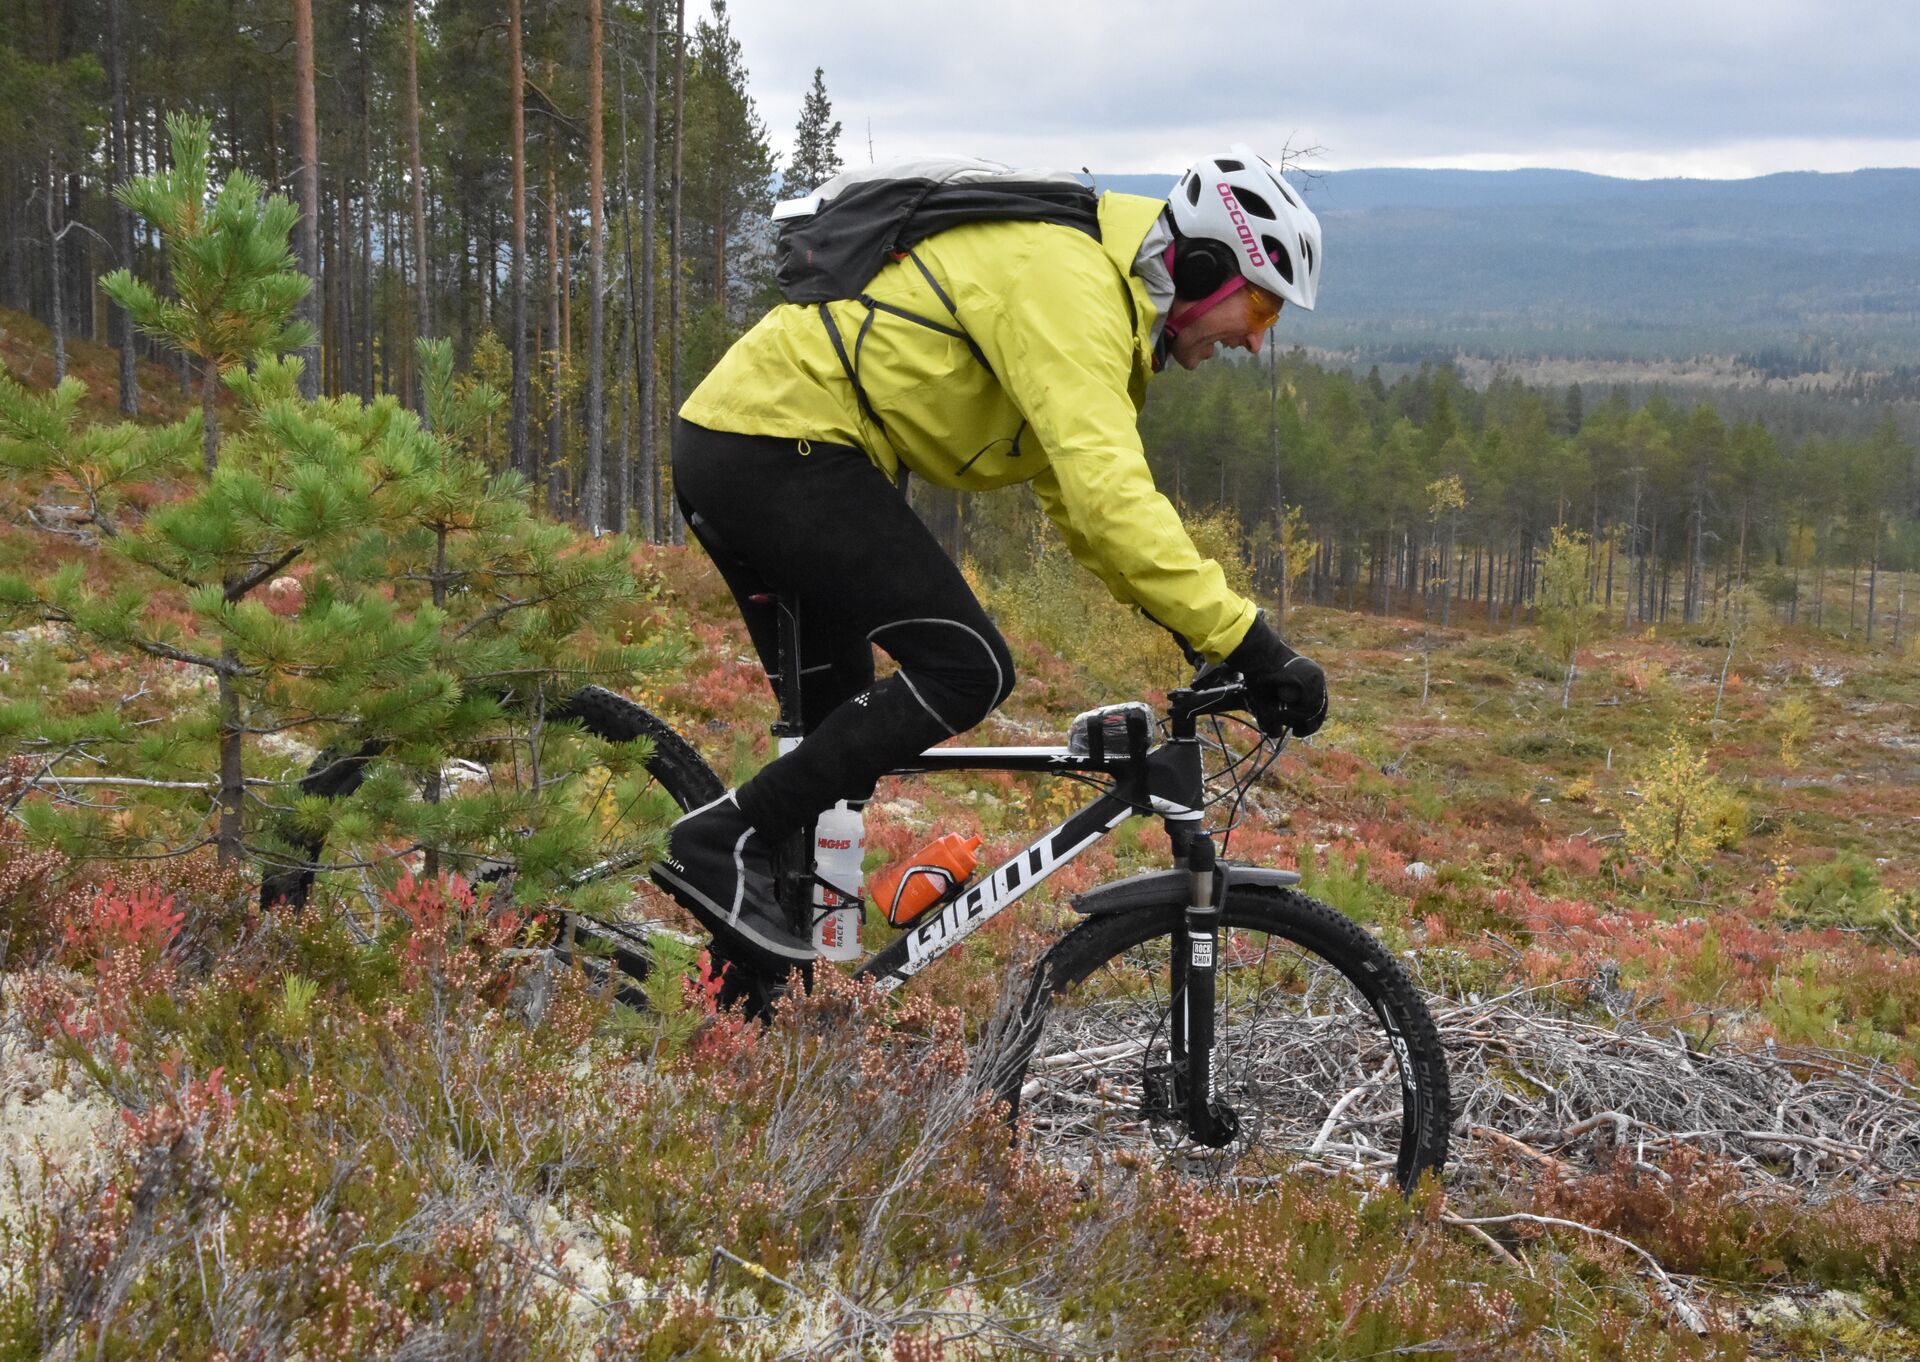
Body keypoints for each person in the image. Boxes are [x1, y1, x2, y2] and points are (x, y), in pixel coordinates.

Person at [654, 142, 1330, 972]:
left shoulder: (1095, 304)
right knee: (967, 669)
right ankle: (719, 841)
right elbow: (1112, 500)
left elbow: (1082, 513)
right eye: (1260, 308)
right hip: (773, 442)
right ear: (1200, 267)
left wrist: (1196, 633)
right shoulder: (1071, 284)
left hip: (760, 444)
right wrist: (1251, 640)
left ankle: (747, 994)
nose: (1257, 341)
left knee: (837, 752)